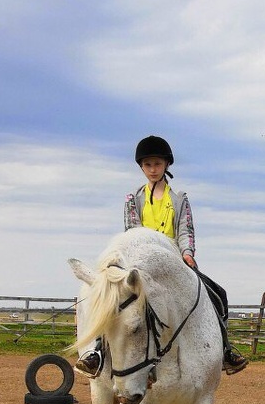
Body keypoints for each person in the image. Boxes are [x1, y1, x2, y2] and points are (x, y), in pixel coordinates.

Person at [77, 135, 247, 377]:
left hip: (174, 262)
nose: (152, 169)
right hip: (140, 264)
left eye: (157, 164)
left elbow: (185, 230)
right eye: (147, 165)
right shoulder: (133, 199)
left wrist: (187, 254)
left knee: (218, 294)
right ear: (141, 167)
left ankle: (225, 351)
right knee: (115, 303)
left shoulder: (179, 199)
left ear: (166, 165)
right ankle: (98, 352)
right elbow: (132, 233)